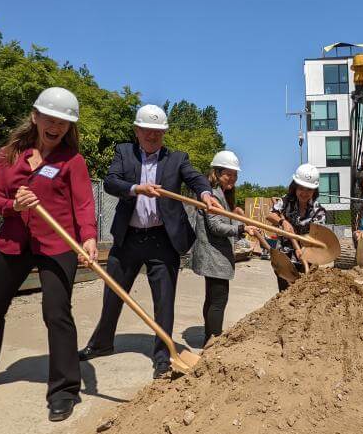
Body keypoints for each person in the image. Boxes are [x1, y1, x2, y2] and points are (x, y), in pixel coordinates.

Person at [0, 87, 97, 422]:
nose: (55, 126)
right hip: (13, 243)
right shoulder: (8, 155)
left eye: (63, 122)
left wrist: (89, 238)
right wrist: (13, 206)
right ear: (35, 117)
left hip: (57, 245)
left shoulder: (72, 161)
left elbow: (83, 204)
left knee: (57, 313)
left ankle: (64, 390)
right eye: (50, 118)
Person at [78, 104, 221, 379]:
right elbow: (110, 182)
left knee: (164, 301)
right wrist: (136, 189)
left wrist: (205, 194)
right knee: (113, 294)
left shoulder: (177, 159)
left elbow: (196, 178)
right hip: (128, 238)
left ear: (164, 133)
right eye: (147, 131)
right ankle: (101, 343)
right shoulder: (124, 153)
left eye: (157, 132)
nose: (152, 136)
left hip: (162, 240)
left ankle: (162, 356)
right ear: (137, 130)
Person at [189, 150, 258, 345]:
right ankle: (214, 340)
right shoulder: (211, 195)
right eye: (229, 174)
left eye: (235, 175)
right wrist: (241, 228)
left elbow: (220, 219)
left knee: (212, 298)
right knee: (218, 300)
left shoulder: (221, 195)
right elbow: (215, 226)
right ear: (217, 173)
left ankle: (209, 337)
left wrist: (232, 213)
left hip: (214, 254)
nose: (233, 179)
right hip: (214, 254)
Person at [266, 163, 326, 291]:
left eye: (309, 189)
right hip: (284, 258)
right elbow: (270, 215)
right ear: (295, 187)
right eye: (301, 188)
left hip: (308, 258)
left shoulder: (318, 211)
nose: (304, 193)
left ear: (314, 191)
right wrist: (283, 221)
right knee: (285, 294)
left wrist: (303, 249)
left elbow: (317, 237)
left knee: (304, 296)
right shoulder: (286, 201)